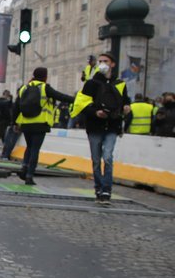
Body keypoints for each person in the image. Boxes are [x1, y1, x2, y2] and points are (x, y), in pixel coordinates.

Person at [70, 53, 130, 203]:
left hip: (112, 125)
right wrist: (95, 112)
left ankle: (106, 190)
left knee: (108, 157)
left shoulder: (120, 83)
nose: (102, 64)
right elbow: (81, 105)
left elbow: (125, 100)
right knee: (96, 160)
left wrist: (126, 107)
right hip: (95, 126)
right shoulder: (91, 83)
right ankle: (98, 187)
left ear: (112, 64)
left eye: (106, 61)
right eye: (100, 61)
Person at [13, 67, 74, 185]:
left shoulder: (24, 88)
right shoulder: (45, 88)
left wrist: (14, 123)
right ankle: (29, 175)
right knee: (35, 149)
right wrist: (77, 100)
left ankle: (24, 167)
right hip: (40, 123)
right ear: (45, 76)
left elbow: (16, 107)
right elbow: (61, 96)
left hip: (25, 123)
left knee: (29, 146)